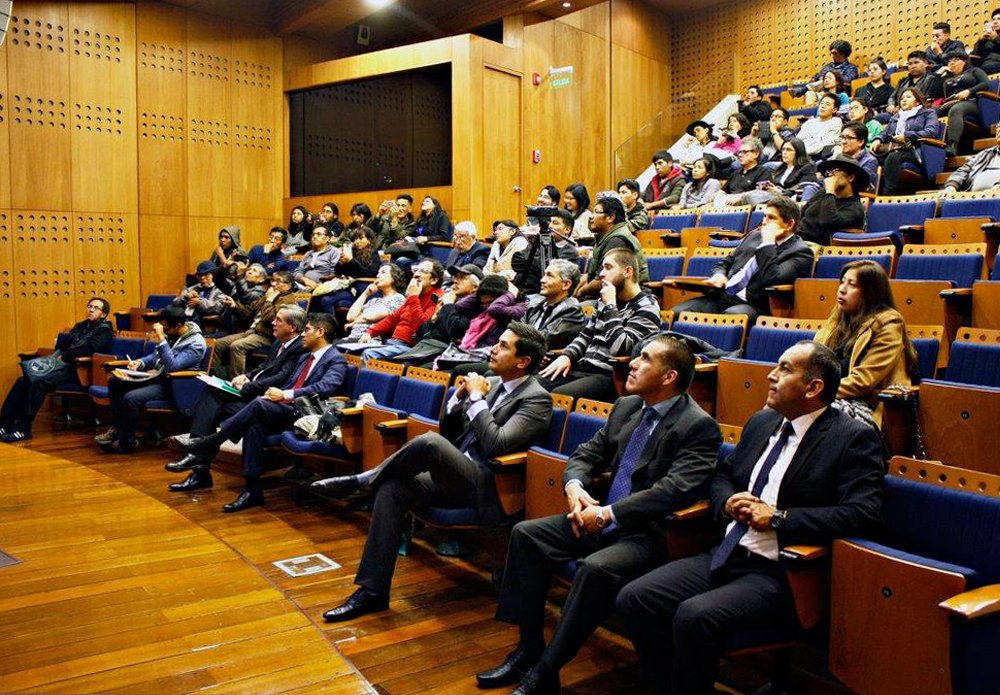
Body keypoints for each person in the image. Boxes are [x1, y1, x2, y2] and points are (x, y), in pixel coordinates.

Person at [615, 341, 885, 695]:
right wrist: (728, 502)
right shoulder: (763, 421)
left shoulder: (852, 438)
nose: (771, 375)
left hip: (780, 571)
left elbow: (863, 513)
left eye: (785, 369)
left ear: (813, 387)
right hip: (726, 553)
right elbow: (722, 475)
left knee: (694, 616)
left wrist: (779, 518)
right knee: (635, 598)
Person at [478, 336, 721, 695]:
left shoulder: (697, 426)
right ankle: (528, 649)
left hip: (649, 534)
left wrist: (608, 514)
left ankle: (546, 671)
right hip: (599, 519)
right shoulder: (627, 406)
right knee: (527, 534)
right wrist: (575, 486)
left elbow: (674, 490)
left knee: (595, 568)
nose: (632, 363)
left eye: (644, 358)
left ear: (669, 377)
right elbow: (586, 454)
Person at [312, 322, 553, 622]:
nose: (493, 348)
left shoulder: (536, 399)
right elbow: (451, 435)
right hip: (455, 475)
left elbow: (497, 444)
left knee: (429, 442)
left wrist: (476, 399)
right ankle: (372, 592)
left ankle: (363, 480)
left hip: (490, 488)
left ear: (523, 361)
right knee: (393, 487)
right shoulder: (492, 383)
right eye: (498, 342)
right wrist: (457, 400)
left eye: (504, 345)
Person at [176, 313, 346, 512]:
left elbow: (326, 387)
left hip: (304, 414)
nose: (302, 334)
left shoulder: (336, 360)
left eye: (307, 330)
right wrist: (272, 392)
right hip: (283, 408)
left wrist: (284, 394)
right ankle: (252, 489)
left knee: (258, 405)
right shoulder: (305, 357)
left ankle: (209, 443)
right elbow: (284, 379)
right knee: (251, 422)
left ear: (320, 332)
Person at [165, 306, 309, 492]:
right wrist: (246, 376)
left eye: (278, 320)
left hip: (267, 402)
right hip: (254, 394)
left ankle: (197, 463)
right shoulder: (279, 342)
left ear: (292, 327)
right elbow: (264, 367)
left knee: (214, 404)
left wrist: (248, 387)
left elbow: (280, 378)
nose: (273, 322)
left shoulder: (299, 348)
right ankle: (198, 465)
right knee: (212, 400)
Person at [540, 249, 660, 402]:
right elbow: (586, 335)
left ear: (627, 271)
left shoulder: (647, 307)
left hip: (610, 375)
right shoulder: (603, 301)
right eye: (602, 268)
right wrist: (567, 356)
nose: (602, 274)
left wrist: (610, 306)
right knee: (533, 386)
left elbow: (620, 349)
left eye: (608, 267)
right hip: (582, 367)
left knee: (559, 396)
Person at [672, 196, 813, 323]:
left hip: (753, 304)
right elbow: (726, 262)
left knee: (728, 319)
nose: (764, 222)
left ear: (789, 224)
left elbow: (772, 278)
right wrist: (719, 275)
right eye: (764, 216)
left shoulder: (800, 252)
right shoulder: (754, 236)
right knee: (677, 313)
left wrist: (768, 242)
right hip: (721, 296)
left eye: (771, 218)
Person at [815, 260, 919, 426]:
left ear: (870, 293)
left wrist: (816, 391)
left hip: (868, 406)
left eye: (852, 285)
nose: (842, 289)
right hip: (832, 396)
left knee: (811, 413)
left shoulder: (888, 324)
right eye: (842, 282)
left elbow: (862, 382)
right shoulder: (838, 320)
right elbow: (813, 362)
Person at [0, 297, 113, 443]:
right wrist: (67, 346)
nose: (91, 309)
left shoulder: (105, 331)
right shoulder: (81, 326)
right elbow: (62, 344)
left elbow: (90, 350)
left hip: (80, 371)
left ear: (103, 314)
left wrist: (66, 354)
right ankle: (5, 424)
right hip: (63, 366)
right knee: (23, 380)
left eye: (96, 308)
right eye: (89, 306)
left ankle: (23, 429)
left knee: (39, 382)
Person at [97, 306, 207, 454]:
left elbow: (173, 367)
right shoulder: (173, 333)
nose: (164, 330)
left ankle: (127, 443)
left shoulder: (196, 343)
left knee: (131, 398)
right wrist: (140, 363)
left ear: (179, 325)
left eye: (166, 328)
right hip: (156, 377)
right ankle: (118, 429)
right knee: (115, 382)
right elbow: (156, 356)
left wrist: (161, 339)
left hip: (174, 385)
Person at [212, 270, 298, 377]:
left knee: (237, 346)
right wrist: (234, 305)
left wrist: (269, 301)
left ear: (288, 286)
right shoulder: (269, 296)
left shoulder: (288, 301)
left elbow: (272, 320)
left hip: (268, 336)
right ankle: (215, 377)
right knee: (218, 344)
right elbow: (248, 312)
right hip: (253, 331)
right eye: (273, 281)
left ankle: (236, 381)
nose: (273, 284)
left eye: (278, 281)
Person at [357, 259, 444, 363]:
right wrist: (370, 332)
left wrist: (413, 296)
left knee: (369, 354)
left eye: (423, 271)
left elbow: (421, 329)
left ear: (433, 280)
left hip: (411, 348)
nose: (416, 274)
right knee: (353, 350)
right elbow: (392, 319)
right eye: (416, 270)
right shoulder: (416, 294)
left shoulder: (437, 298)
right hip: (394, 343)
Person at [575, 194, 648, 300]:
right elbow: (595, 275)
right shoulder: (607, 237)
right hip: (609, 295)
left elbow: (603, 280)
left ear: (610, 217)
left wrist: (581, 292)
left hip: (627, 299)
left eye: (596, 212)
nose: (591, 217)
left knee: (574, 309)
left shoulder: (617, 240)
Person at [870, 88, 941, 195]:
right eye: (902, 98)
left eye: (908, 97)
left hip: (917, 150)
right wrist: (878, 139)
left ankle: (888, 194)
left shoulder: (928, 113)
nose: (904, 100)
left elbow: (931, 132)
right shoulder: (896, 117)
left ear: (917, 101)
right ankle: (869, 193)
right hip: (895, 148)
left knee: (893, 157)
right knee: (870, 157)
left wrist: (907, 135)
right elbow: (885, 132)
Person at [798, 155, 868, 246]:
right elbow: (803, 213)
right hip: (797, 240)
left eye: (835, 170)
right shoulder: (822, 194)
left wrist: (830, 191)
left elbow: (827, 221)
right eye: (829, 171)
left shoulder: (855, 208)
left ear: (850, 177)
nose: (830, 175)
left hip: (817, 248)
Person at [517, 208, 581, 296]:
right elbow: (516, 260)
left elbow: (546, 270)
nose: (550, 226)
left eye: (555, 223)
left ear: (567, 230)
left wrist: (530, 265)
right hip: (524, 290)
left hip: (548, 294)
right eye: (549, 222)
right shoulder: (538, 242)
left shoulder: (569, 251)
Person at [937, 50, 988, 156]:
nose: (951, 63)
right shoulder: (947, 79)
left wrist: (969, 91)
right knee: (931, 112)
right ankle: (933, 149)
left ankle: (952, 145)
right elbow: (933, 91)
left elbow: (985, 83)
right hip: (951, 103)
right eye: (949, 61)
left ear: (964, 61)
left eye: (955, 60)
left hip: (971, 102)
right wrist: (939, 74)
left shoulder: (974, 71)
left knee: (956, 109)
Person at [339, 263, 407, 342]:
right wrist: (365, 293)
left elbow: (369, 316)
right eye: (378, 273)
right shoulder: (373, 300)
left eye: (383, 272)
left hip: (369, 341)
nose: (378, 275)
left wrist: (355, 321)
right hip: (352, 338)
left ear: (394, 278)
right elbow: (350, 317)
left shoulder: (398, 298)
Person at [387, 196, 451, 269]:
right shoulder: (422, 218)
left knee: (400, 260)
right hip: (418, 250)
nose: (423, 203)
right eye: (423, 201)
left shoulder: (441, 216)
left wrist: (427, 238)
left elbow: (444, 236)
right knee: (394, 256)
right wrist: (408, 237)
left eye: (427, 201)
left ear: (434, 205)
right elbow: (416, 233)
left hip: (430, 253)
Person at [883, 50, 943, 121]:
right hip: (900, 113)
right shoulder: (903, 82)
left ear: (925, 63)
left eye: (916, 62)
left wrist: (903, 107)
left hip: (920, 112)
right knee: (881, 117)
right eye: (910, 64)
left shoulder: (932, 79)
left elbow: (926, 98)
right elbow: (892, 97)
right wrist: (891, 105)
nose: (913, 66)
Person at [711, 137, 772, 207]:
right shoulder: (735, 173)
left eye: (744, 152)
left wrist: (741, 197)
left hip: (748, 209)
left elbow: (762, 194)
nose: (740, 155)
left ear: (756, 154)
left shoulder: (763, 172)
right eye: (739, 152)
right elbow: (724, 191)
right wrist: (715, 195)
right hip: (728, 206)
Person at [942, 123, 1000, 192]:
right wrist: (952, 185)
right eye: (998, 126)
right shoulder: (986, 154)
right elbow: (963, 170)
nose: (999, 129)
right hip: (974, 196)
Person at [172, 260, 226, 327]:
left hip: (209, 324)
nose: (202, 278)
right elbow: (175, 303)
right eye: (200, 275)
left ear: (213, 275)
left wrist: (199, 302)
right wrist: (185, 297)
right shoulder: (191, 289)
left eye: (206, 274)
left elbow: (219, 307)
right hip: (187, 321)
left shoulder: (220, 289)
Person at [833, 121, 880, 188]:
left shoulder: (870, 161)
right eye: (842, 137)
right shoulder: (837, 155)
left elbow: (862, 184)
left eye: (849, 138)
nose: (843, 141)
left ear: (861, 142)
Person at [292, 226, 340, 291]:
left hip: (322, 288)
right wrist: (306, 280)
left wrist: (318, 285)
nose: (314, 237)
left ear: (327, 238)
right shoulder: (308, 253)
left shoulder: (334, 252)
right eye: (313, 234)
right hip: (303, 285)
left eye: (318, 234)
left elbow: (334, 275)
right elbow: (297, 272)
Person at [483, 219, 529, 283]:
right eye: (495, 230)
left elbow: (521, 272)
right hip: (493, 283)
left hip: (513, 284)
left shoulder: (521, 243)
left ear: (512, 231)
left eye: (500, 229)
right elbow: (486, 269)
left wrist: (497, 276)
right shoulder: (496, 245)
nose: (495, 232)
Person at [974, 8, 1000, 74]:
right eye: (993, 19)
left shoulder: (994, 37)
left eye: (999, 19)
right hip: (984, 65)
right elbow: (975, 55)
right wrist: (980, 42)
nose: (995, 22)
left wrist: (996, 38)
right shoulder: (987, 38)